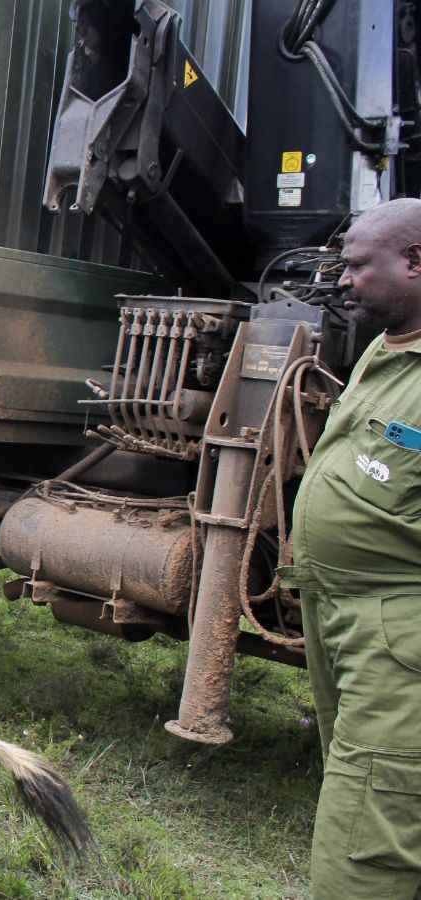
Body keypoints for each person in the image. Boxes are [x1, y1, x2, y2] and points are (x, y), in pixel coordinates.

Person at [284, 199, 421, 899]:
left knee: (366, 847)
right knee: (362, 790)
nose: (342, 281)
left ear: (416, 262)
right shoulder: (386, 345)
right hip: (343, 620)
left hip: (396, 638)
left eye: (358, 266)